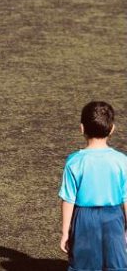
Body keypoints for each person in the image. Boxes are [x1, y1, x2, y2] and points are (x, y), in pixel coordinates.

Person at [59, 101, 127, 271]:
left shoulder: (74, 161)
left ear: (82, 128)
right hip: (114, 217)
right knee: (116, 264)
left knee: (83, 264)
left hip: (84, 218)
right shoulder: (122, 161)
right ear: (112, 129)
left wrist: (65, 232)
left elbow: (68, 199)